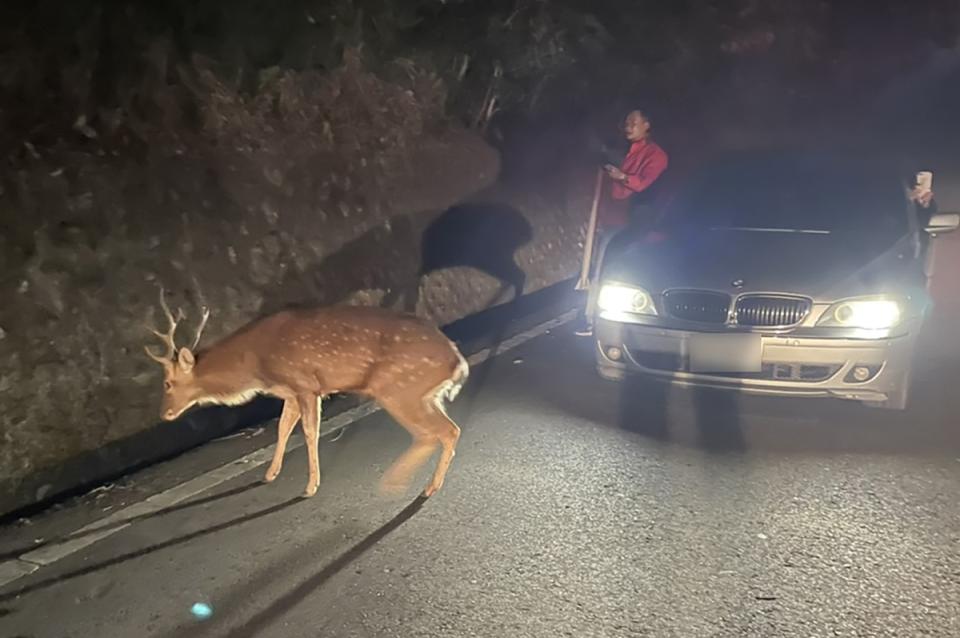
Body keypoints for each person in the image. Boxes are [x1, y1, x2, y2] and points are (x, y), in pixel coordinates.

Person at [574, 109, 669, 336]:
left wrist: (623, 176)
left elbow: (643, 183)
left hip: (640, 221)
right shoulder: (620, 151)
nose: (628, 126)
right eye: (626, 122)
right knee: (601, 266)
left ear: (647, 124)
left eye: (634, 122)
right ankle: (592, 318)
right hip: (614, 219)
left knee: (620, 267)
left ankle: (622, 320)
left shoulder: (656, 155)